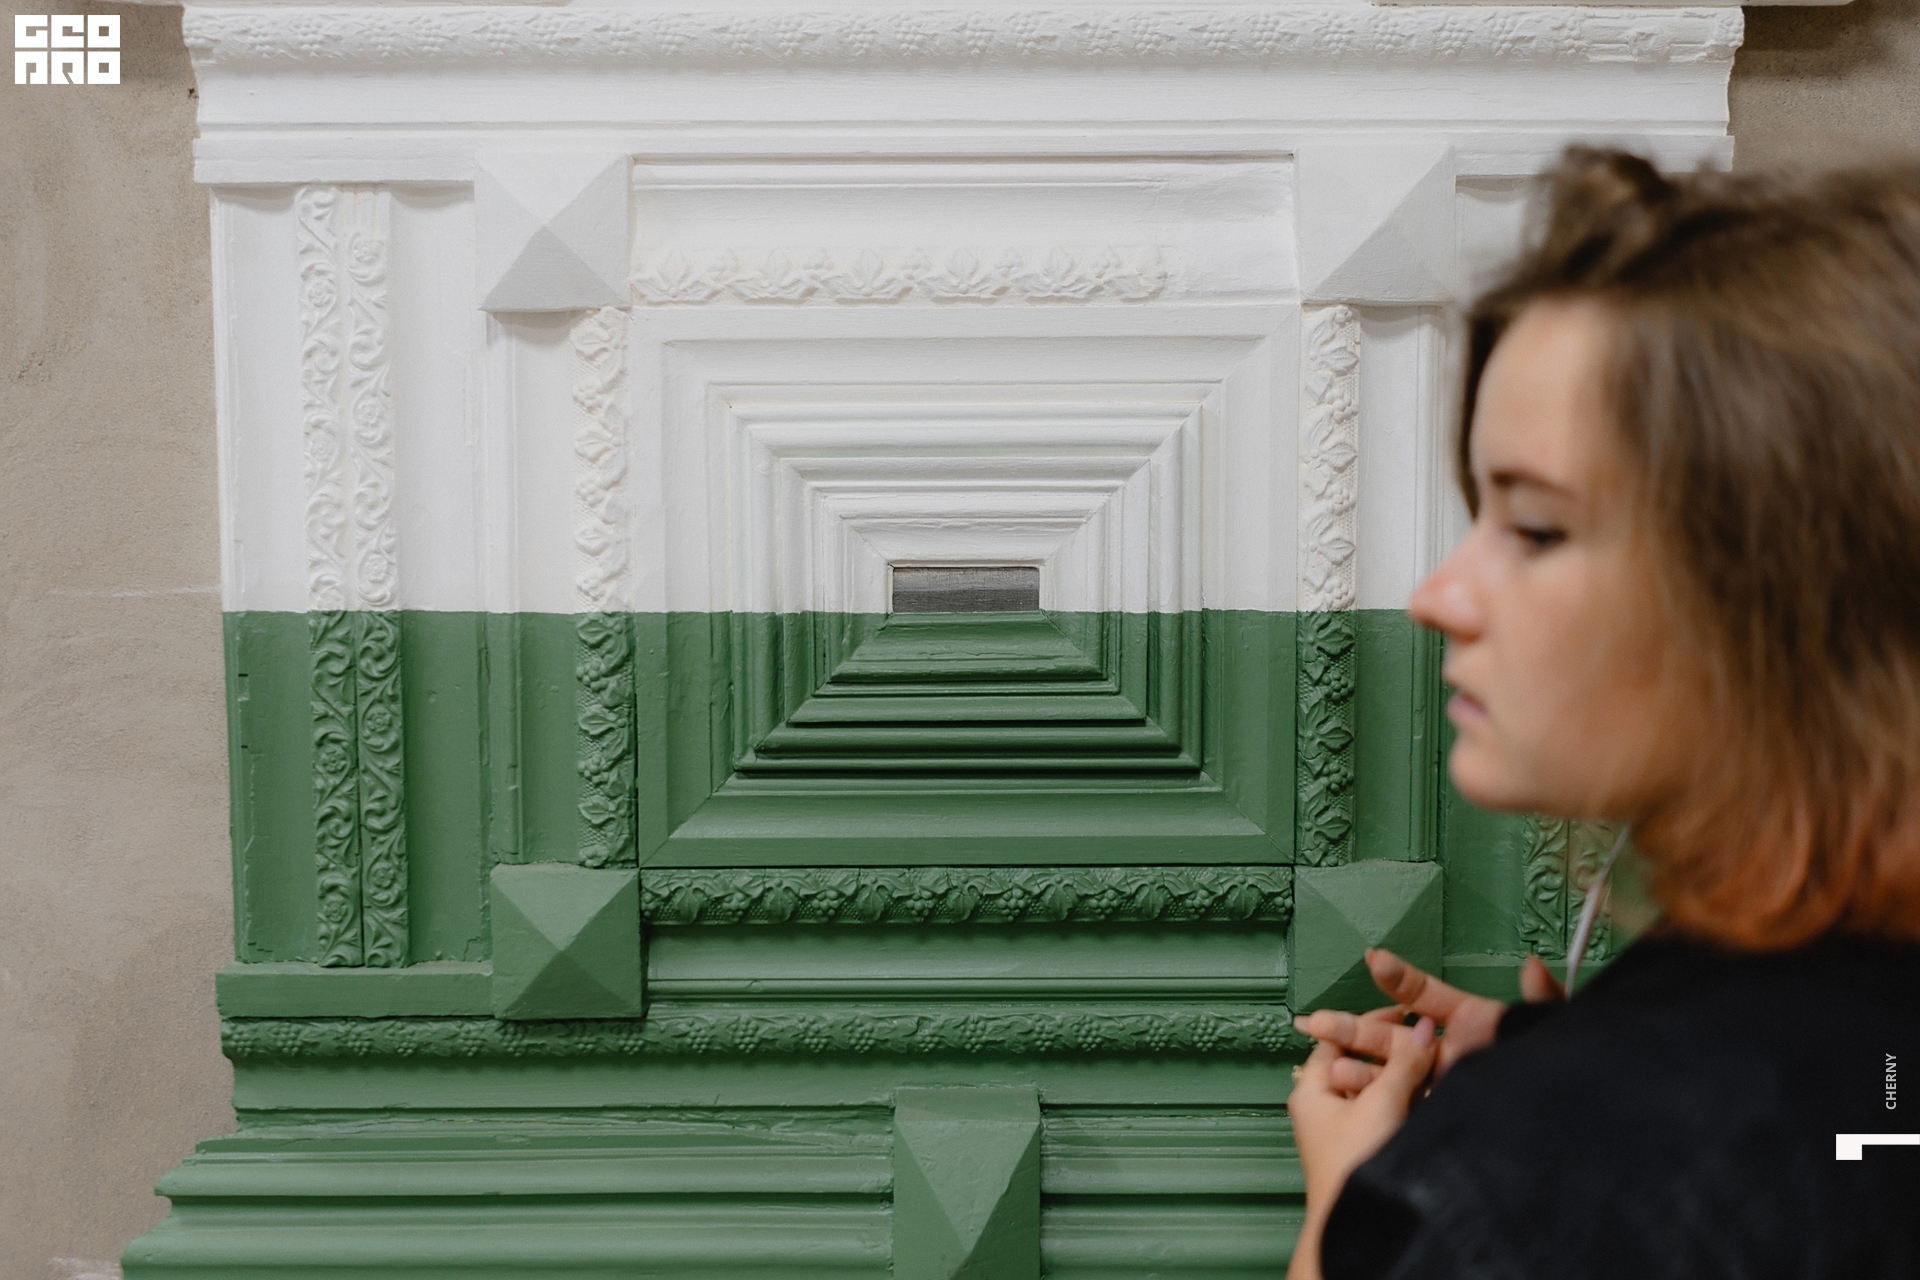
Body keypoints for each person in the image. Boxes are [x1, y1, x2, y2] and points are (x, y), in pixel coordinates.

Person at [1285, 148, 1920, 1280]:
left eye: (1535, 530)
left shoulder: (1500, 1198)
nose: (1438, 596)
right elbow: (1864, 1136)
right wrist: (1568, 1058)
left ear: (1782, 592)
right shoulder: (1876, 1051)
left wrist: (1354, 1219)